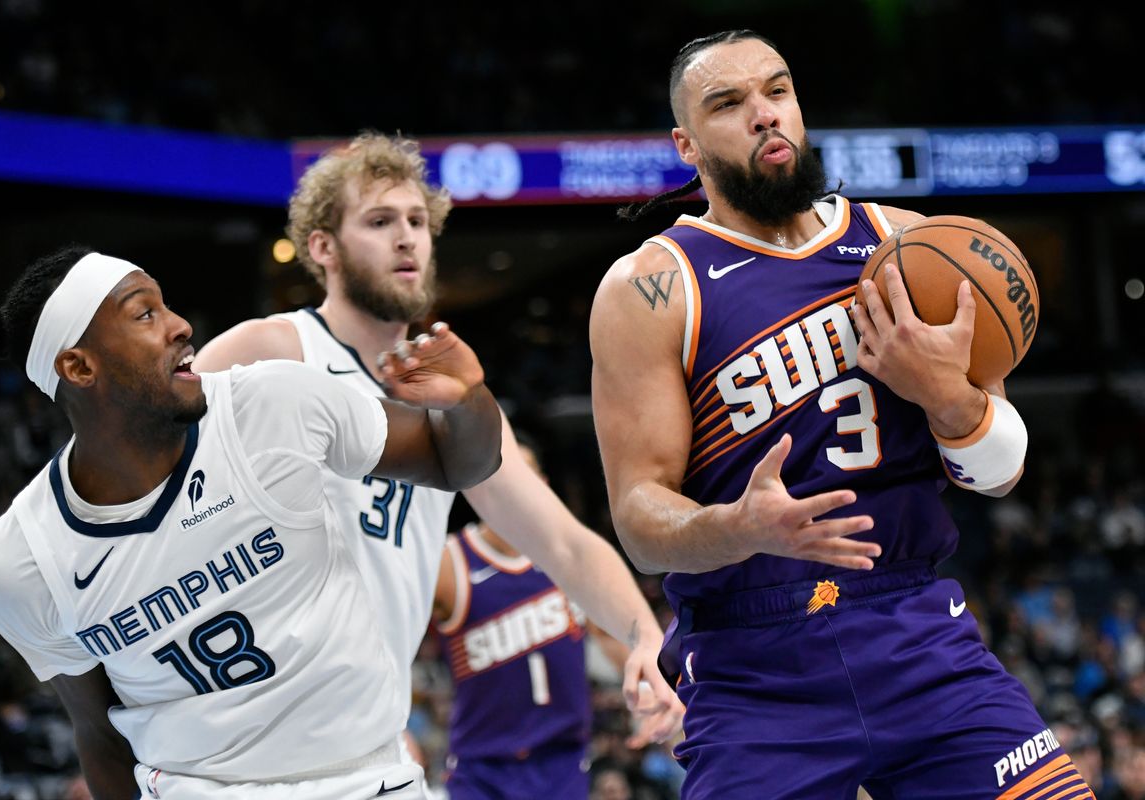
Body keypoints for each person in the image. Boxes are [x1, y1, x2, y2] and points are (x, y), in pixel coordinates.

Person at [589, 29, 1094, 799]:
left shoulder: (908, 243)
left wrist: (946, 395)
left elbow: (1002, 471)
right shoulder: (651, 288)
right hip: (753, 668)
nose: (764, 113)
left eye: (778, 90)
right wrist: (738, 527)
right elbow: (637, 517)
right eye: (728, 103)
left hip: (916, 629)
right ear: (686, 145)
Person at [191, 133, 684, 760]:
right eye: (379, 221)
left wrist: (644, 637)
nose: (407, 238)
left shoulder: (455, 401)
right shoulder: (268, 350)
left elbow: (562, 543)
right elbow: (143, 482)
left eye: (417, 222)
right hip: (246, 732)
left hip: (369, 738)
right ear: (322, 247)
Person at [0, 245, 505, 799]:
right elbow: (100, 735)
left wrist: (466, 401)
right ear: (78, 367)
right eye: (144, 314)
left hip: (367, 780)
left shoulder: (271, 404)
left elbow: (453, 462)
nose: (180, 326)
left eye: (166, 306)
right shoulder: (20, 564)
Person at [430, 440, 663, 800]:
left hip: (563, 759)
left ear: (541, 484)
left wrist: (647, 690)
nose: (511, 487)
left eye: (522, 475)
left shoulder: (567, 557)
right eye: (498, 474)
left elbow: (608, 635)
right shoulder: (451, 563)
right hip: (482, 766)